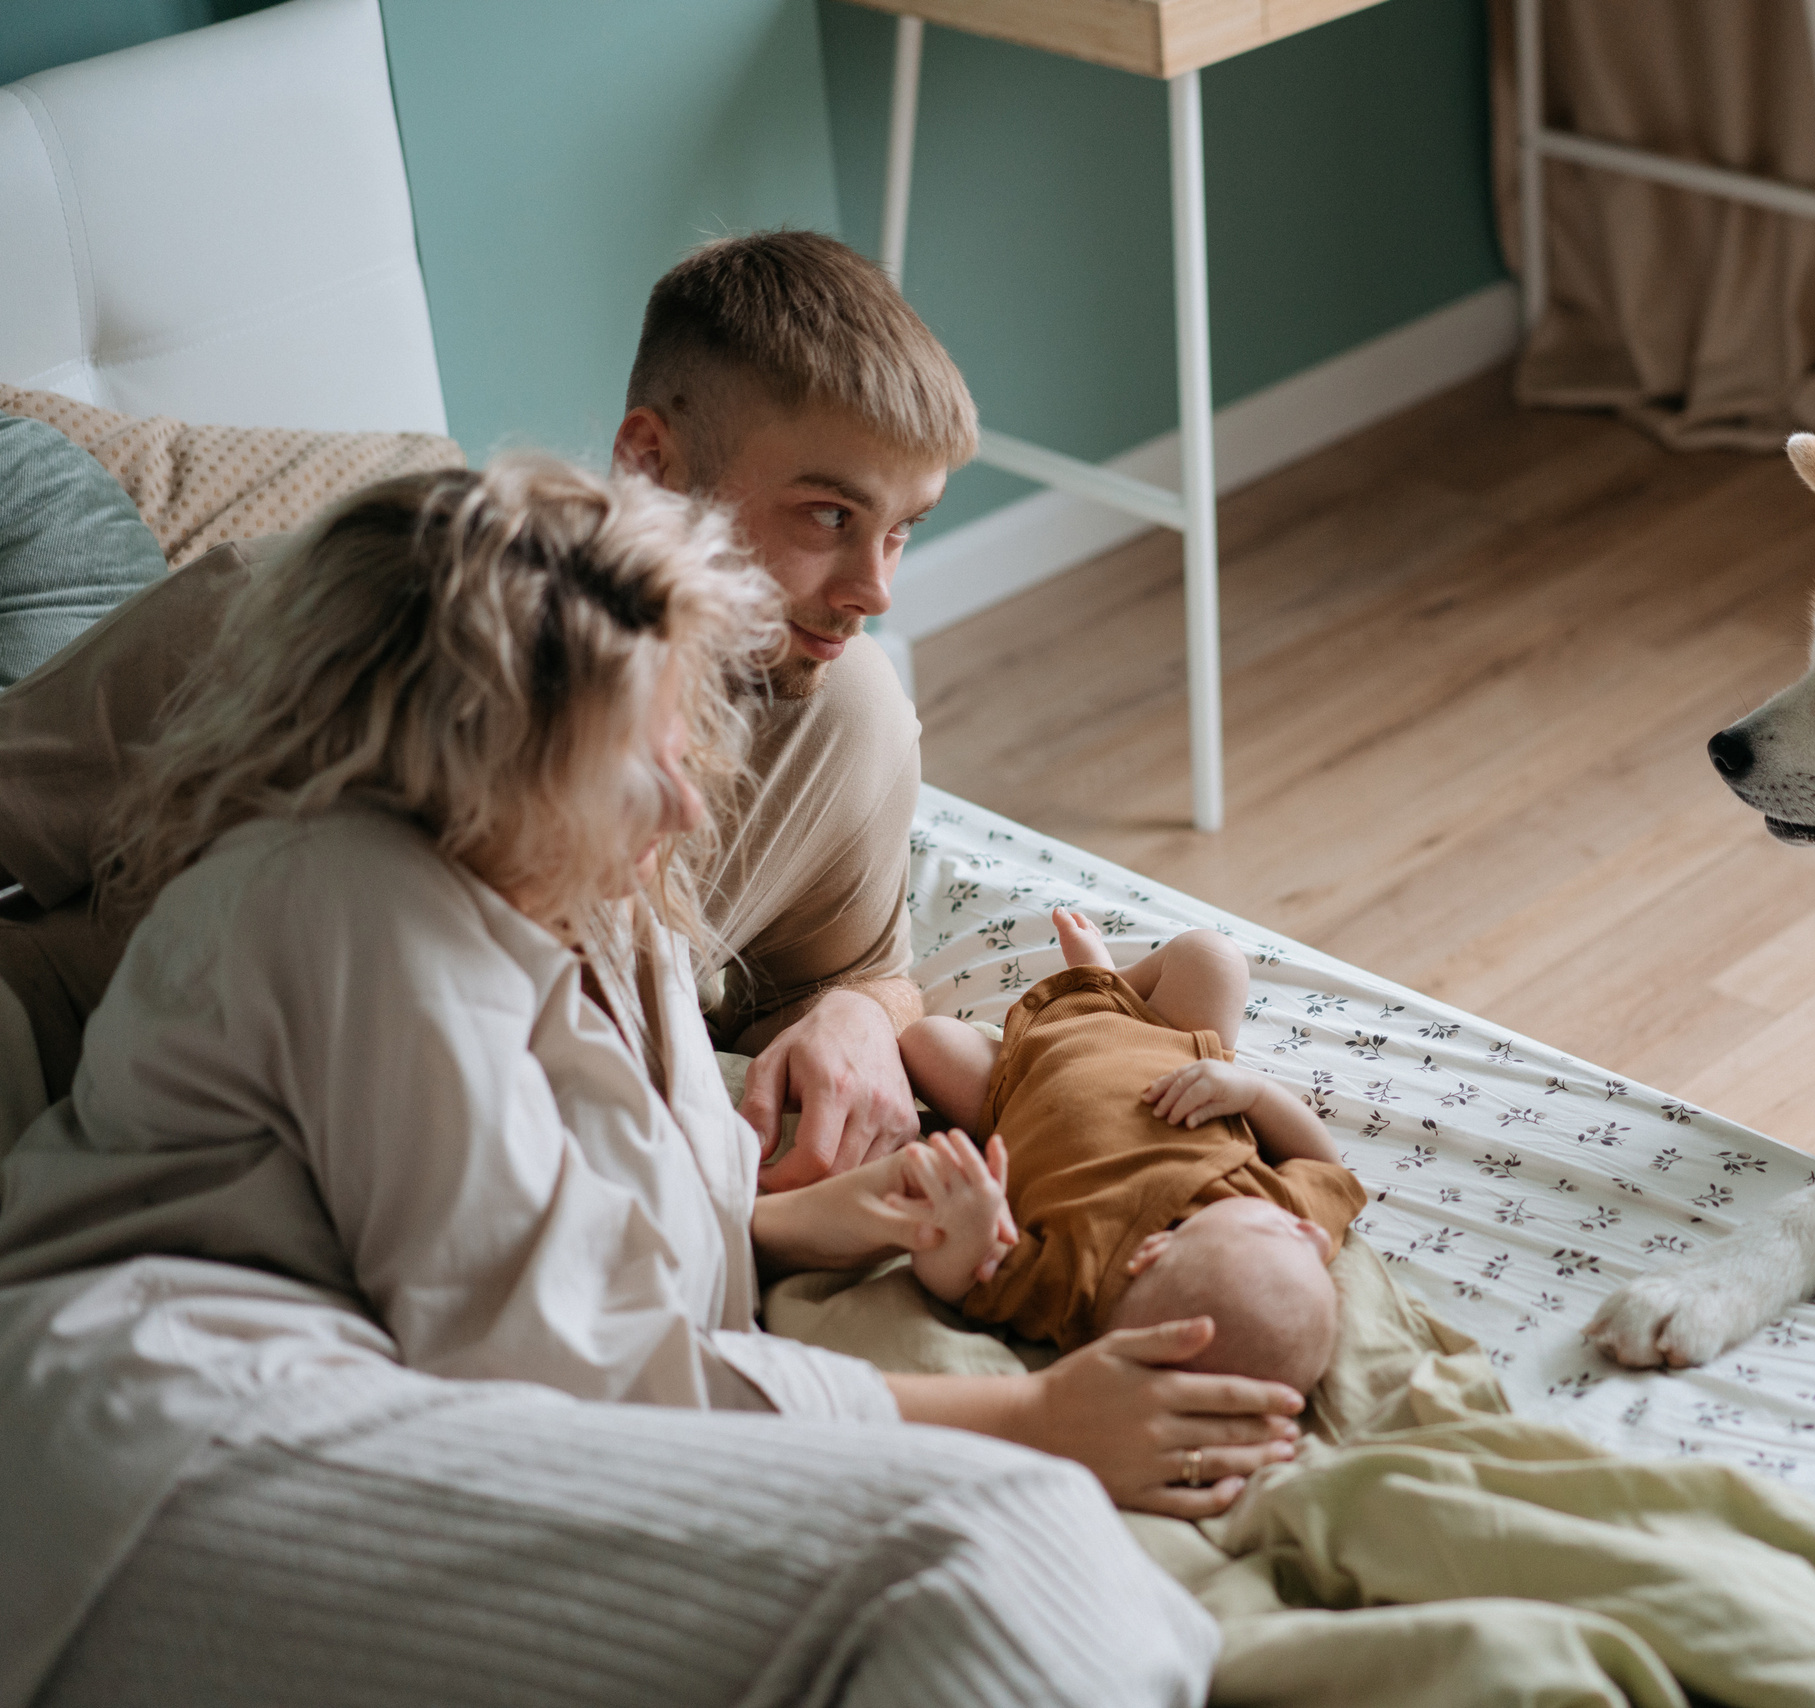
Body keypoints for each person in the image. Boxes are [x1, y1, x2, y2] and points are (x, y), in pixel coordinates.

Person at [0, 461, 1274, 1708]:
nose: (683, 794)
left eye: (679, 735)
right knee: (1000, 1545)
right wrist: (1033, 1415)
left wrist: (789, 1219)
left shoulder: (606, 905)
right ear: (466, 750)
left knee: (1080, 1591)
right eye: (631, 755)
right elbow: (561, 1362)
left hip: (375, 1395)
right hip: (173, 1430)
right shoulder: (349, 900)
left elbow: (561, 1237)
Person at [3, 231, 934, 1186]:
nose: (877, 590)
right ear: (650, 464)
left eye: (903, 529)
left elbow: (858, 971)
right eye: (829, 516)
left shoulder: (843, 721)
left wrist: (861, 1018)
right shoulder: (278, 619)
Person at [894, 909, 1365, 1396]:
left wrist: (958, 1232)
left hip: (1013, 1088)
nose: (1312, 1235)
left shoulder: (1077, 1288)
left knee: (923, 1042)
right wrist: (1252, 1094)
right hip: (1167, 1037)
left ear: (1154, 1251)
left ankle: (1094, 988)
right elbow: (1324, 1165)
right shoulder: (1274, 1208)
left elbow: (966, 1285)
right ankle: (1110, 983)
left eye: (1283, 1231)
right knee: (1211, 955)